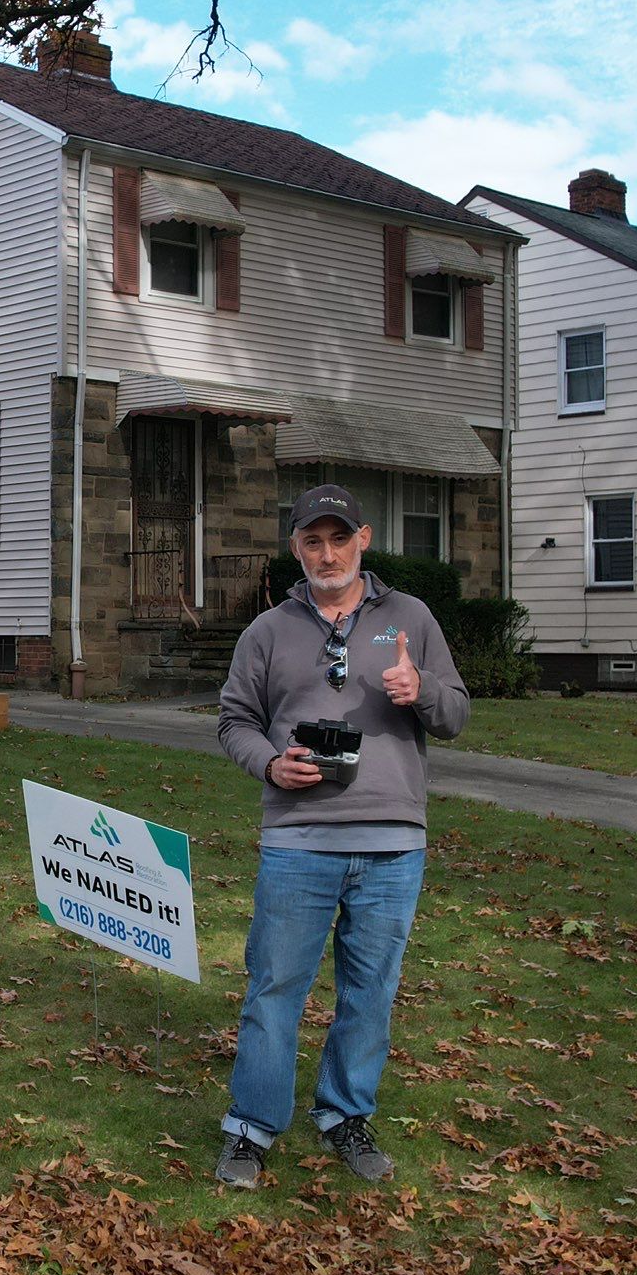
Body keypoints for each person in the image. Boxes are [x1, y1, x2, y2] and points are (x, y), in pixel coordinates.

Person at [211, 483, 469, 1187]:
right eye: (312, 541)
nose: (327, 553)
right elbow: (234, 721)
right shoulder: (267, 632)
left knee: (371, 992)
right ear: (296, 548)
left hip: (393, 846)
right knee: (273, 990)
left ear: (365, 539)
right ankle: (251, 1128)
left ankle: (345, 1116)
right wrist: (269, 761)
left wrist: (424, 692)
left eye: (339, 538)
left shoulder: (410, 617)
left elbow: (455, 713)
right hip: (298, 844)